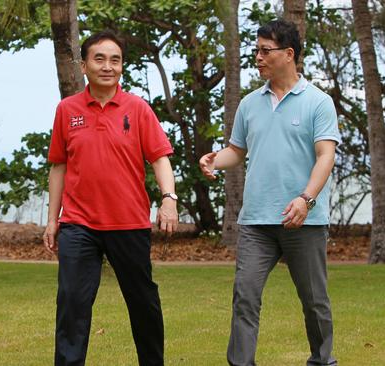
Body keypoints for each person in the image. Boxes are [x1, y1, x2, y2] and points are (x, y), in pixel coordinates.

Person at [199, 20, 340, 366]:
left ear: (288, 54)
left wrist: (306, 199)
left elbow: (326, 156)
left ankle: (322, 361)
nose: (258, 57)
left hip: (303, 220)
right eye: (256, 50)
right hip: (256, 222)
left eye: (266, 50)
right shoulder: (249, 104)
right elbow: (238, 150)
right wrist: (216, 160)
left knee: (314, 302)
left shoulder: (318, 102)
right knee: (245, 297)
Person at [43, 30, 178, 366]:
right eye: (99, 59)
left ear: (122, 66)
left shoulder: (138, 108)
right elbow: (59, 166)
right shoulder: (67, 110)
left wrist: (169, 198)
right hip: (78, 224)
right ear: (84, 66)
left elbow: (160, 158)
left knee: (142, 301)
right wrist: (52, 219)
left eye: (115, 60)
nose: (108, 66)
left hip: (129, 222)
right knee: (72, 302)